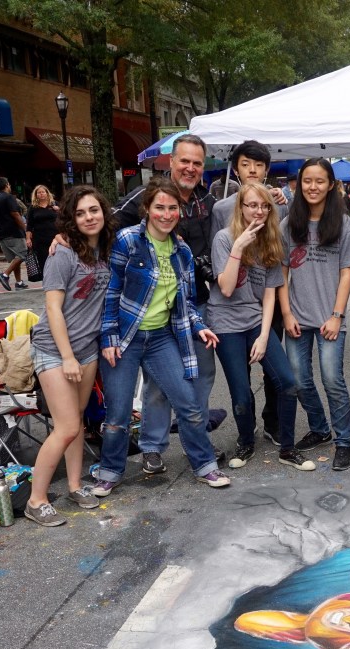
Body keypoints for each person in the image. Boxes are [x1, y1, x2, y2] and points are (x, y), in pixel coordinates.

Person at [94, 177, 229, 495]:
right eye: (160, 207)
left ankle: (204, 465)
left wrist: (199, 326)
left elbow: (186, 302)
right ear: (147, 209)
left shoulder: (182, 252)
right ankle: (110, 471)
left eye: (172, 208)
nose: (166, 214)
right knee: (118, 415)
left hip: (161, 338)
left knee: (189, 404)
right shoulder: (128, 241)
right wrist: (108, 338)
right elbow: (110, 293)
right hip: (125, 338)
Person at [111, 135, 221, 474]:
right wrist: (66, 236)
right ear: (171, 162)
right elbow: (107, 224)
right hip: (150, 311)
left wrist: (276, 196)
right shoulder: (147, 196)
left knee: (201, 375)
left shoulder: (207, 200)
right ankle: (153, 447)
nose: (190, 168)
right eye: (184, 161)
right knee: (158, 384)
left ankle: (195, 440)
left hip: (192, 304)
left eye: (197, 163)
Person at [24, 186, 114, 526]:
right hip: (54, 348)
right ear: (70, 220)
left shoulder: (107, 247)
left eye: (94, 210)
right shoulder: (62, 253)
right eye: (80, 213)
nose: (89, 217)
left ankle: (75, 485)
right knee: (65, 427)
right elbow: (53, 308)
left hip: (87, 348)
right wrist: (67, 357)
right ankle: (36, 500)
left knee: (76, 420)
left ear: (103, 212)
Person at [210, 183, 315, 472]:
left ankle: (288, 449)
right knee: (242, 394)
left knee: (288, 383)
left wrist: (265, 336)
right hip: (226, 323)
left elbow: (270, 295)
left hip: (256, 320)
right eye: (252, 205)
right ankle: (246, 442)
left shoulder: (271, 240)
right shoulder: (224, 238)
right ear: (241, 207)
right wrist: (239, 246)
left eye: (264, 206)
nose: (258, 211)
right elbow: (226, 288)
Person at [209, 140, 290, 448]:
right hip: (232, 302)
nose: (252, 170)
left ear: (267, 169)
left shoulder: (279, 203)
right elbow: (221, 267)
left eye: (258, 165)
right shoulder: (221, 211)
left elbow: (282, 251)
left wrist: (287, 195)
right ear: (236, 169)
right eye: (246, 164)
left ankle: (274, 424)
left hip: (263, 302)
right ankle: (247, 428)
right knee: (240, 381)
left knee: (276, 371)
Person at [280, 158, 350, 471]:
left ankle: (344, 440)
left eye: (320, 181)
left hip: (330, 318)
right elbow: (281, 274)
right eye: (307, 181)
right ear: (299, 184)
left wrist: (337, 315)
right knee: (299, 380)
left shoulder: (344, 225)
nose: (313, 187)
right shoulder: (289, 224)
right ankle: (319, 427)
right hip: (297, 318)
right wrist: (286, 314)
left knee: (332, 379)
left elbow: (347, 273)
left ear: (331, 185)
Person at [0, 177, 28, 290]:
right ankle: (5, 274)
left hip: (1, 233)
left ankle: (19, 282)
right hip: (13, 232)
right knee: (23, 253)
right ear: (7, 185)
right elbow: (15, 214)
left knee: (16, 258)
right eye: (9, 184)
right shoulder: (9, 197)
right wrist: (25, 229)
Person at [26, 184, 59, 282]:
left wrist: (59, 209)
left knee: (57, 259)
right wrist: (28, 238)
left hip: (55, 237)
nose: (41, 194)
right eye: (39, 193)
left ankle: (58, 279)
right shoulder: (33, 207)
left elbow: (65, 217)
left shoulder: (54, 204)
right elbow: (29, 225)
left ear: (47, 193)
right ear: (36, 195)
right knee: (43, 260)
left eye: (43, 192)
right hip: (39, 238)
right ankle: (47, 281)